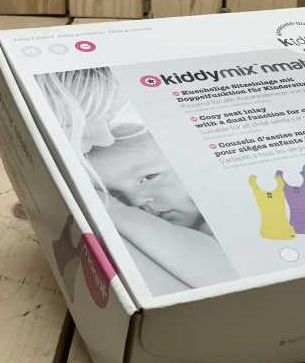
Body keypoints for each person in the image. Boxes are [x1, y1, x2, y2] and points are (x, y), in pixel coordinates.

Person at [35, 67, 238, 293]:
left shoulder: (226, 208)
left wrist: (117, 210)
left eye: (149, 177)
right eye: (117, 195)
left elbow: (220, 272)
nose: (137, 201)